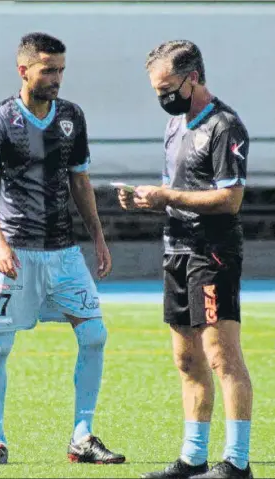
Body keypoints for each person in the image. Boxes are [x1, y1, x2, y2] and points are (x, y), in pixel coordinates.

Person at [0, 32, 126, 466]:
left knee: (94, 334)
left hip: (63, 251)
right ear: (24, 71)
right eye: (48, 70)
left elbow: (80, 180)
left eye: (60, 69)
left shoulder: (72, 117)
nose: (57, 78)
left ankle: (82, 436)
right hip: (14, 251)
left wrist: (97, 234)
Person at [117, 40, 253, 479]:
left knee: (221, 355)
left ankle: (237, 462)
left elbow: (229, 199)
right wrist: (146, 202)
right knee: (186, 359)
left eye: (167, 87)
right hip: (175, 250)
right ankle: (193, 458)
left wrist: (167, 196)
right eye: (156, 89)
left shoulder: (225, 125)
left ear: (192, 78)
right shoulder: (175, 125)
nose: (162, 97)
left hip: (211, 252)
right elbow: (175, 188)